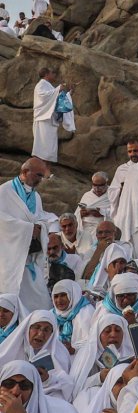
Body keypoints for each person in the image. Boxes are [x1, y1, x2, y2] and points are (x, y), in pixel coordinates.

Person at [0, 158, 57, 311]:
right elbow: (2, 221)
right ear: (25, 172)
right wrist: (27, 228)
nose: (40, 180)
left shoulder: (36, 196)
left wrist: (41, 227)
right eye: (38, 175)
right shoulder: (4, 191)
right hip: (10, 258)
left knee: (42, 303)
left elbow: (39, 218)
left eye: (42, 176)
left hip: (30, 257)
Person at [32, 68, 73, 163]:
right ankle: (39, 169)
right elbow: (43, 96)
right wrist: (58, 89)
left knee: (50, 147)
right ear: (46, 74)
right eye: (52, 73)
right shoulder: (41, 85)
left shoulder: (49, 86)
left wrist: (70, 93)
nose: (54, 75)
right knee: (42, 146)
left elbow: (58, 100)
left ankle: (46, 171)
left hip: (50, 120)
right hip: (43, 119)